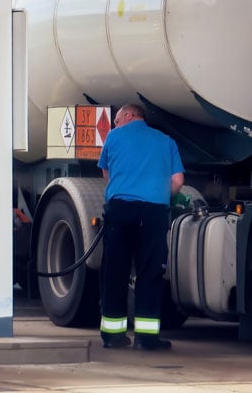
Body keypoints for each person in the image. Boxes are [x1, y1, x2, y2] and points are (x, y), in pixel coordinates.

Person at [97, 103, 185, 350]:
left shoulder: (113, 137)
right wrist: (158, 192)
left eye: (116, 120)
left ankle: (113, 337)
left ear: (128, 115)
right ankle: (146, 339)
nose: (115, 125)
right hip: (154, 213)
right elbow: (178, 181)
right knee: (150, 274)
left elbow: (106, 173)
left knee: (115, 272)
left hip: (120, 211)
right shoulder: (166, 141)